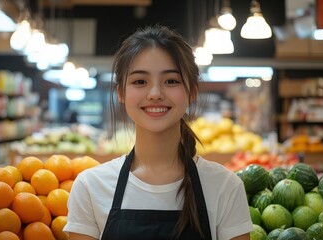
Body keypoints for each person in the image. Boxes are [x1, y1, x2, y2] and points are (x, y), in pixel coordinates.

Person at [63, 25, 253, 240]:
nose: (155, 93)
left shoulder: (225, 187)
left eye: (171, 81)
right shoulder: (90, 187)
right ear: (121, 93)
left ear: (191, 92)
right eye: (140, 82)